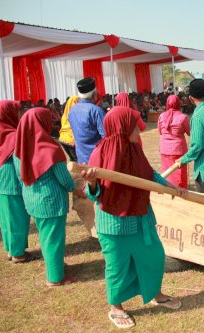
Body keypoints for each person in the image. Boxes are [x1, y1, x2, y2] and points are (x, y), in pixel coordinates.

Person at [81, 106, 186, 329]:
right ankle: (116, 307)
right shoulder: (99, 153)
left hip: (141, 216)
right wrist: (91, 181)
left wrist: (170, 187)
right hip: (114, 222)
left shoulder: (134, 148)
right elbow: (93, 193)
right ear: (121, 128)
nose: (139, 131)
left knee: (154, 256)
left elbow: (149, 173)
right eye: (133, 127)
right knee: (117, 266)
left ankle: (155, 293)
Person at [13, 107, 76, 287]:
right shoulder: (51, 148)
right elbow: (65, 180)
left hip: (32, 199)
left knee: (46, 236)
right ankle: (56, 277)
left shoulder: (20, 147)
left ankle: (55, 265)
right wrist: (76, 188)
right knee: (54, 238)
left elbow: (20, 175)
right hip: (51, 202)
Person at [0, 100, 36, 263]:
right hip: (11, 177)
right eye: (18, 110)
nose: (21, 113)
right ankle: (17, 253)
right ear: (9, 114)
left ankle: (11, 249)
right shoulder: (15, 135)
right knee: (17, 216)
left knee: (6, 215)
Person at [68, 77, 106, 164]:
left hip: (81, 157)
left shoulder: (72, 110)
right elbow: (106, 136)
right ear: (94, 94)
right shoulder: (96, 110)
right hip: (97, 159)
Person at [158, 95, 191, 189]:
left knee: (167, 173)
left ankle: (169, 191)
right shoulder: (183, 117)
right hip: (178, 150)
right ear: (179, 103)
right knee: (180, 175)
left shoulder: (161, 116)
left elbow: (160, 131)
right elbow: (189, 132)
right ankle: (180, 191)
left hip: (164, 149)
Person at [58, 96, 79, 161]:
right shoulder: (75, 113)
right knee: (76, 160)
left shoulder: (65, 114)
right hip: (71, 140)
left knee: (72, 159)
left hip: (62, 139)